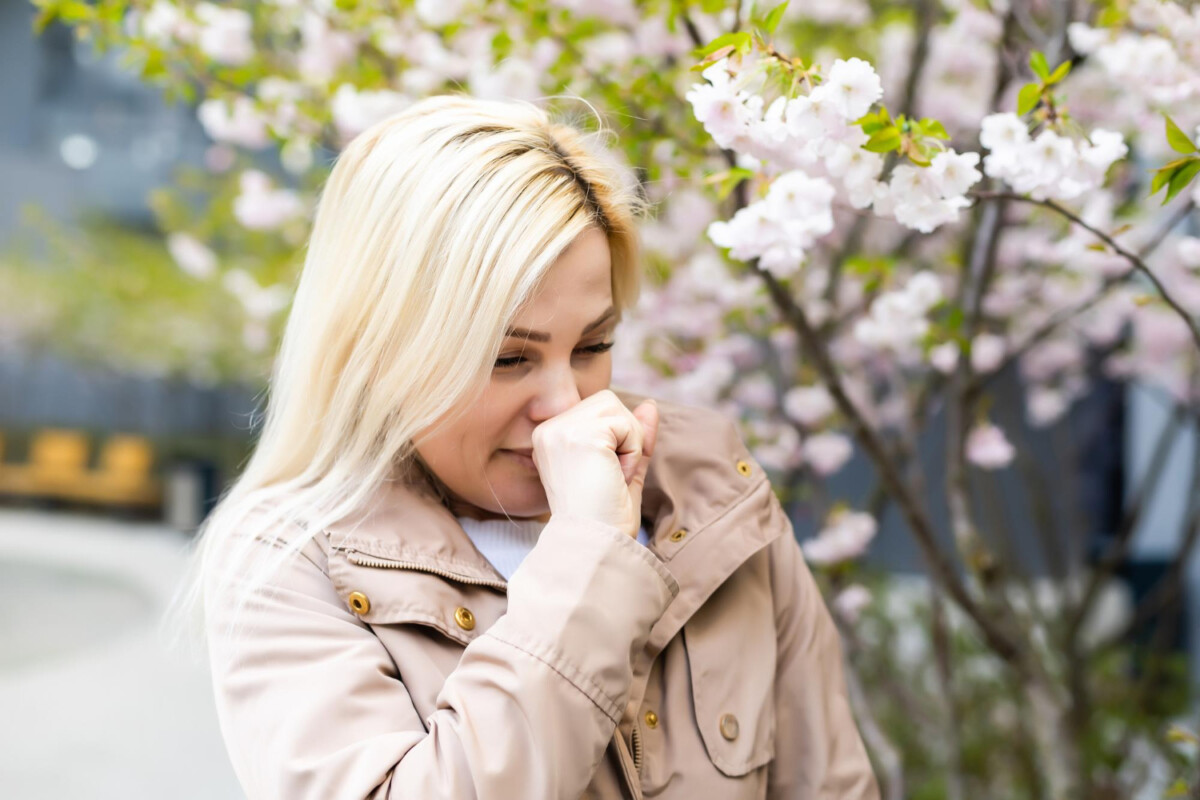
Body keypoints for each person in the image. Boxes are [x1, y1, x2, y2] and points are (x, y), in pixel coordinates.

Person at [166, 93, 880, 800]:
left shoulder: (712, 491)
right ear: (381, 349)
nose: (564, 406)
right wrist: (589, 553)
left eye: (594, 345)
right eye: (509, 359)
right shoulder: (293, 559)